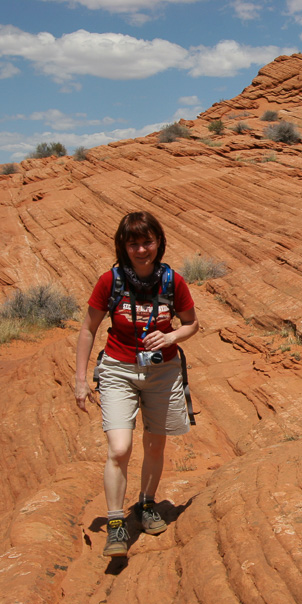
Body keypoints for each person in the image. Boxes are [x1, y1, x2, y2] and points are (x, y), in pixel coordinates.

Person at [74, 211, 198, 557]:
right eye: (134, 243)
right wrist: (80, 379)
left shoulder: (172, 281)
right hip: (118, 369)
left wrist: (171, 334)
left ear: (158, 242)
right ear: (123, 246)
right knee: (119, 448)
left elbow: (192, 323)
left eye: (147, 241)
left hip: (163, 371)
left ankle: (146, 504)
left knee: (155, 446)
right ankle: (116, 522)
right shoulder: (109, 281)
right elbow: (88, 329)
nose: (141, 249)